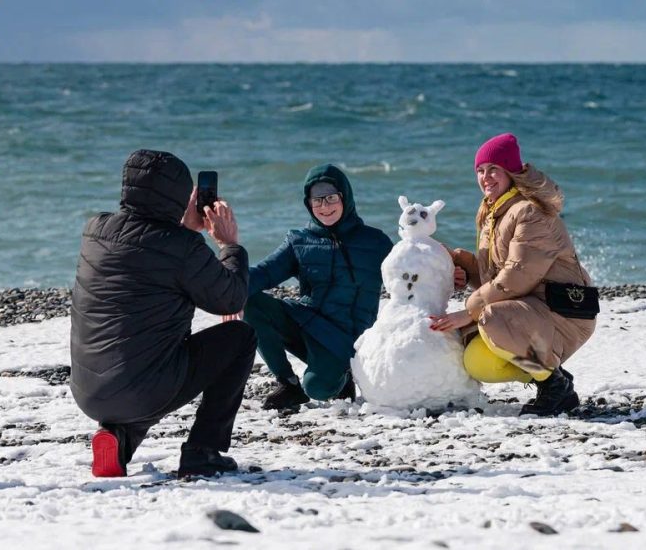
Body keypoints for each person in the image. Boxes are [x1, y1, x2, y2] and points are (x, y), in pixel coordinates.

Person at [70, 150, 255, 478]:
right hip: (142, 390)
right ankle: (202, 451)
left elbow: (150, 254)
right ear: (180, 196)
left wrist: (183, 229)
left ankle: (117, 441)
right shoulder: (182, 248)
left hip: (88, 391)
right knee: (240, 337)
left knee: (143, 357)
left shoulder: (94, 230)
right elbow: (230, 299)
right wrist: (229, 246)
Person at [429, 133, 596, 416]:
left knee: (490, 319)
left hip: (564, 313)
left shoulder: (530, 212)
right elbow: (494, 276)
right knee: (478, 361)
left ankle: (554, 386)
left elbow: (517, 276)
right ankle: (549, 375)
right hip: (529, 310)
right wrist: (461, 266)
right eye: (480, 170)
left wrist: (469, 311)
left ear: (511, 172)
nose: (486, 177)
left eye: (494, 169)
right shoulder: (494, 211)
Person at [244, 164, 393, 410]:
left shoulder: (376, 242)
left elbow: (410, 271)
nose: (325, 206)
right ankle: (288, 384)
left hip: (346, 338)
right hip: (306, 320)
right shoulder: (299, 240)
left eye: (331, 198)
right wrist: (222, 282)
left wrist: (451, 267)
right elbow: (265, 272)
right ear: (308, 203)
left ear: (345, 197)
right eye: (317, 200)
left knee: (317, 388)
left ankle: (344, 377)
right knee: (249, 301)